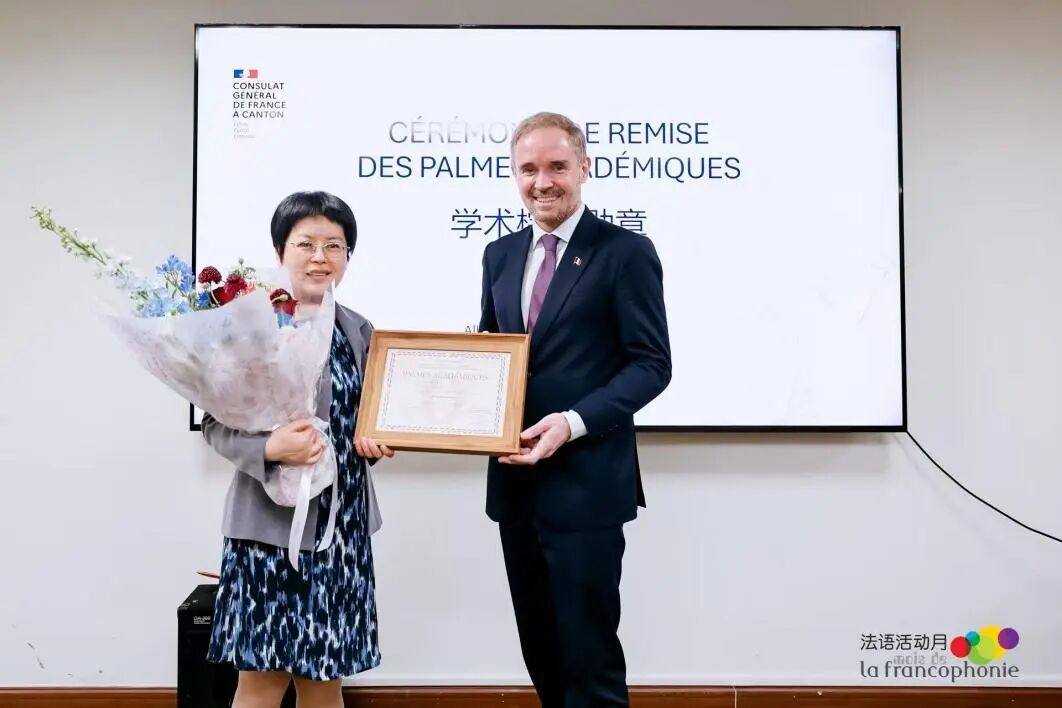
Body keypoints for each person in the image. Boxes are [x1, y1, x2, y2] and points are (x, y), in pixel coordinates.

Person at [478, 112, 672, 708]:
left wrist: (571, 422)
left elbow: (651, 364)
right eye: (528, 169)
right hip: (515, 486)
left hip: (586, 486)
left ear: (584, 168)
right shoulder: (499, 254)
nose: (543, 182)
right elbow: (492, 354)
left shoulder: (625, 252)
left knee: (590, 661)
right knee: (540, 652)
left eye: (557, 166)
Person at [202, 191, 394, 708]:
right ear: (279, 251)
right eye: (306, 244)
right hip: (267, 529)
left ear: (348, 257)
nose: (320, 258)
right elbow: (215, 424)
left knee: (324, 679)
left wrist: (375, 441)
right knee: (260, 683)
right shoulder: (249, 325)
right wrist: (270, 447)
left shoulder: (359, 329)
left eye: (334, 246)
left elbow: (369, 419)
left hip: (341, 530)